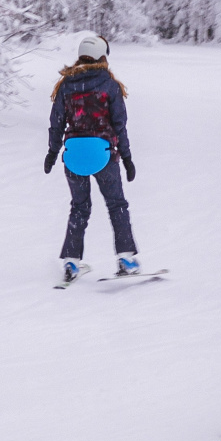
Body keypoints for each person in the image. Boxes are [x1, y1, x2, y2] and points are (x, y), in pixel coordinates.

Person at [46, 34, 139, 284]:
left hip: (74, 155)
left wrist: (52, 153)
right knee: (117, 205)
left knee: (79, 207)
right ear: (102, 56)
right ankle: (126, 259)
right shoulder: (109, 84)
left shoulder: (66, 84)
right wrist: (128, 158)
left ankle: (71, 263)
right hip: (103, 154)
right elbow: (120, 125)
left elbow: (56, 124)